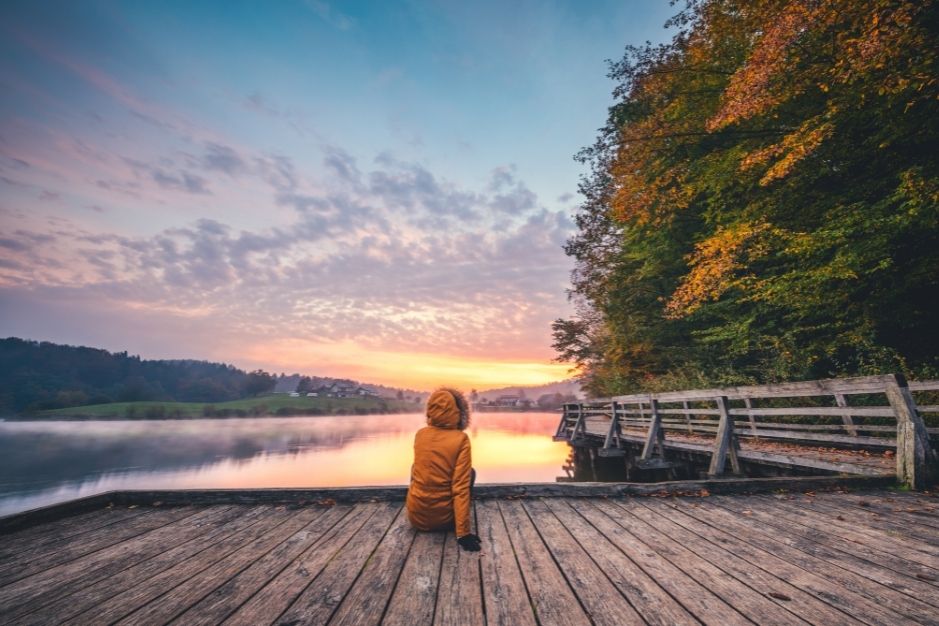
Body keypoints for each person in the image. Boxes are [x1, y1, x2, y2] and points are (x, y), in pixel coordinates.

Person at [405, 387, 482, 551]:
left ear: (429, 410)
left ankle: (419, 506)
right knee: (470, 473)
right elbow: (460, 487)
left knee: (416, 467)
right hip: (444, 520)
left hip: (416, 518)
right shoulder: (461, 439)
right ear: (458, 411)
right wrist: (463, 534)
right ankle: (459, 519)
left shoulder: (420, 434)